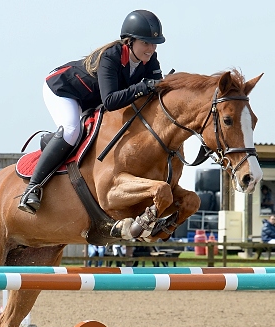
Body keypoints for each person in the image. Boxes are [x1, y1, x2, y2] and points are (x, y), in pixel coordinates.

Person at [18, 10, 165, 214]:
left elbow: (157, 87)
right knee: (71, 131)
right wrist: (142, 87)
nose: (151, 49)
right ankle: (32, 188)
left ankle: (54, 142)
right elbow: (111, 100)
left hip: (91, 99)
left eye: (154, 43)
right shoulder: (111, 57)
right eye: (146, 43)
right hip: (62, 89)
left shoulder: (150, 60)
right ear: (129, 41)